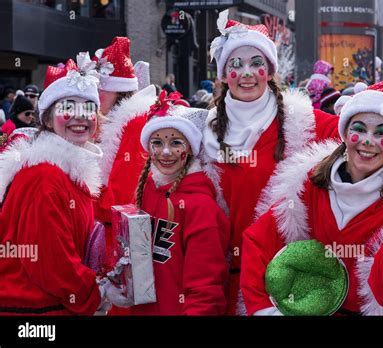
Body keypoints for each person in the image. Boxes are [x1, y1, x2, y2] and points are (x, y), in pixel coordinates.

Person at [240, 74, 383, 316]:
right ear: (344, 133)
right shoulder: (307, 185)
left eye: (381, 132)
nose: (367, 141)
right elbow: (259, 242)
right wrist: (265, 309)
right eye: (359, 129)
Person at [202, 9, 340, 314]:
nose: (247, 73)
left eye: (257, 63)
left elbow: (358, 138)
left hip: (287, 283)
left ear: (271, 70)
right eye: (236, 64)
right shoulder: (203, 131)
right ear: (224, 74)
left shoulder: (302, 123)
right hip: (224, 284)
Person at [0, 56, 115, 315]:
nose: (80, 117)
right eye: (68, 107)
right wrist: (96, 292)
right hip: (35, 313)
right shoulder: (45, 176)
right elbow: (50, 263)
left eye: (88, 109)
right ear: (48, 120)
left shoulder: (69, 171)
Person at [119, 93, 230, 315]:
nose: (166, 151)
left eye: (176, 142)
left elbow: (206, 290)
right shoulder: (145, 191)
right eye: (157, 142)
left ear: (190, 148)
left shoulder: (201, 207)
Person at [91, 37, 157, 272]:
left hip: (124, 237)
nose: (95, 94)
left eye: (101, 88)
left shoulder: (134, 123)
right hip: (119, 232)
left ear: (118, 91)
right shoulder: (117, 123)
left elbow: (124, 198)